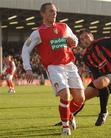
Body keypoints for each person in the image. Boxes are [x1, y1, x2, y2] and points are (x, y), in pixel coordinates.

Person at [21, 2, 85, 135]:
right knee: (65, 95)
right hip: (54, 67)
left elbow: (74, 39)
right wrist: (28, 68)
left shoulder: (64, 26)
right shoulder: (38, 33)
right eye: (50, 11)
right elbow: (25, 49)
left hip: (70, 65)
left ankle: (69, 115)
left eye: (55, 11)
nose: (54, 13)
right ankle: (65, 127)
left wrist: (74, 41)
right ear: (43, 14)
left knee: (80, 99)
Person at [55, 26, 111, 127]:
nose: (84, 40)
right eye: (82, 39)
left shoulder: (102, 42)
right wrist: (96, 87)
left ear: (91, 36)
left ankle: (103, 112)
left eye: (86, 37)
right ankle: (68, 117)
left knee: (101, 81)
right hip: (101, 79)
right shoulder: (86, 56)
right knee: (80, 98)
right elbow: (95, 72)